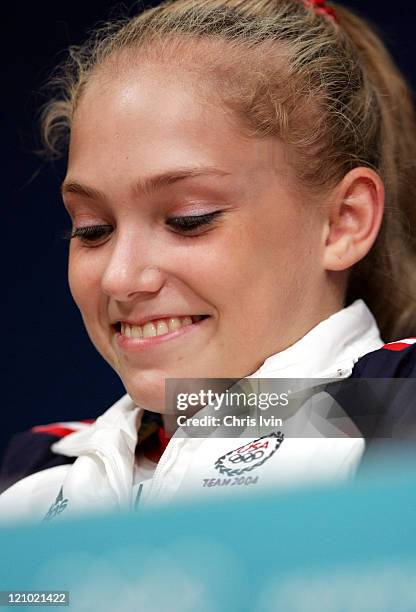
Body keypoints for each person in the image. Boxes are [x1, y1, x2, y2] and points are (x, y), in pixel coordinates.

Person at [1, 0, 416, 522]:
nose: (121, 276)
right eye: (93, 229)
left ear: (344, 222)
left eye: (188, 219)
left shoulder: (401, 401)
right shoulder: (34, 476)